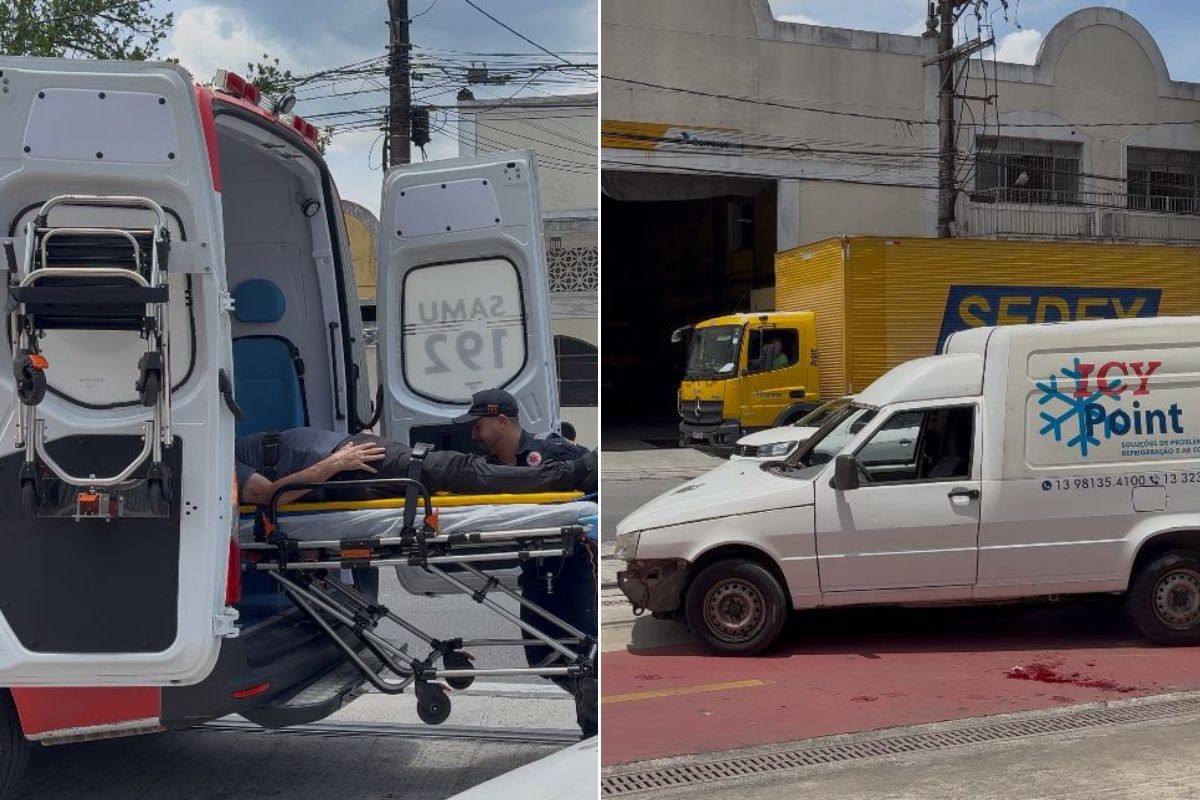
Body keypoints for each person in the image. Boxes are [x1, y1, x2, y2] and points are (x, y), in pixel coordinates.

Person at [234, 426, 596, 506]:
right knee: (458, 469)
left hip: (348, 461)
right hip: (349, 465)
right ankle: (569, 474)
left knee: (454, 475)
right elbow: (271, 496)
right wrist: (335, 461)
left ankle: (562, 477)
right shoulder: (221, 464)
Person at [453, 388, 588, 467]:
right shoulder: (481, 465)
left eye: (477, 427)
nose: (473, 435)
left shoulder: (551, 449)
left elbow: (591, 470)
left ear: (502, 422)